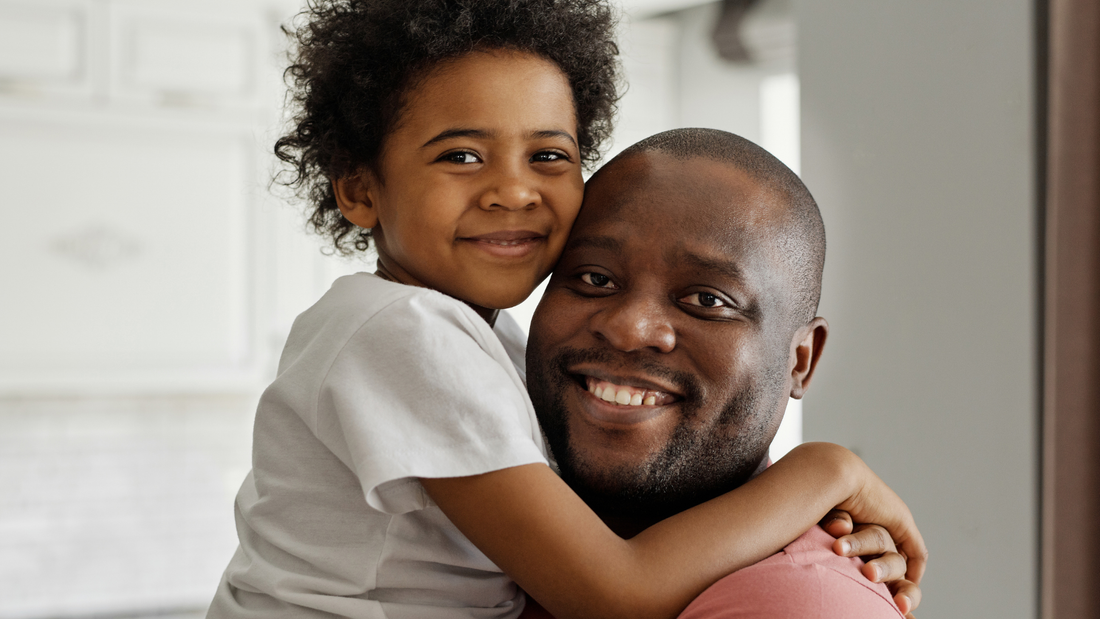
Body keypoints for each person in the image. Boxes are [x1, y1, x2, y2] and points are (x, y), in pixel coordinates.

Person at [207, 0, 926, 617]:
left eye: (547, 156)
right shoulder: (403, 333)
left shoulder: (481, 339)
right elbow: (615, 592)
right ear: (361, 190)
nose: (514, 191)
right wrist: (827, 471)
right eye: (461, 156)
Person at [524, 128, 926, 619]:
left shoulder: (798, 605)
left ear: (801, 359)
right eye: (595, 278)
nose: (629, 329)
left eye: (708, 300)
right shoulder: (482, 510)